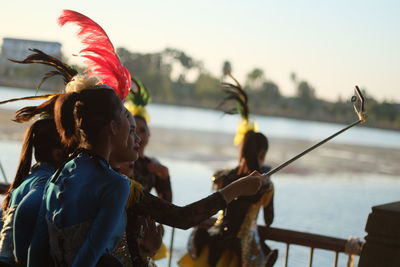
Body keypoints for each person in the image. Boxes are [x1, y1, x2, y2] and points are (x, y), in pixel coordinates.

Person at [178, 74, 278, 267]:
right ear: (262, 153)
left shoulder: (224, 176)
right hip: (242, 250)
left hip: (213, 242)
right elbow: (269, 220)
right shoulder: (265, 184)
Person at [0, 119, 67, 266]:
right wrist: (22, 256)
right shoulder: (46, 180)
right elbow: (29, 208)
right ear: (58, 154)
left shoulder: (29, 179)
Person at [125, 77, 172, 202]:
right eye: (133, 131)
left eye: (142, 130)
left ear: (149, 133)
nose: (138, 137)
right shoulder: (121, 162)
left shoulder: (153, 164)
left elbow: (166, 208)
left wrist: (165, 177)